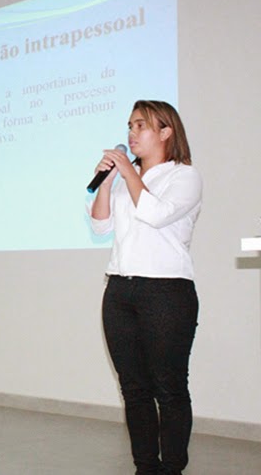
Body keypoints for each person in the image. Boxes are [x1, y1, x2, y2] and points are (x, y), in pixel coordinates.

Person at [89, 100, 202, 475]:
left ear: (166, 131)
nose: (131, 133)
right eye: (130, 126)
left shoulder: (184, 177)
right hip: (120, 292)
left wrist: (127, 172)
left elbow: (154, 214)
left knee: (168, 387)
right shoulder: (126, 179)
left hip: (166, 292)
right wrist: (108, 182)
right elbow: (100, 225)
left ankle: (172, 468)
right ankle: (145, 467)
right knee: (133, 389)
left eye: (141, 125)